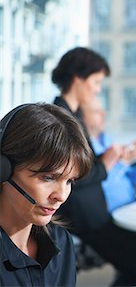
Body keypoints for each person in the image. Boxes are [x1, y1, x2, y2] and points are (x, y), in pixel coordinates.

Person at [51, 47, 136, 286]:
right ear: (78, 79)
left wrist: (109, 160)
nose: (98, 90)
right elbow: (72, 174)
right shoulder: (62, 118)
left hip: (95, 214)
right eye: (96, 82)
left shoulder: (72, 117)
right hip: (86, 218)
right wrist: (105, 164)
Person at [0, 103, 92, 286]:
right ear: (3, 170)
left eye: (69, 181)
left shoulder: (61, 242)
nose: (62, 196)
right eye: (48, 178)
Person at [81, 97, 136, 212]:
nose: (103, 114)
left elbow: (130, 178)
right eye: (96, 112)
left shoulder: (107, 140)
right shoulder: (84, 149)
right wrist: (124, 160)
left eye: (103, 110)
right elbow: (97, 183)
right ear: (82, 117)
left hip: (131, 208)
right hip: (111, 216)